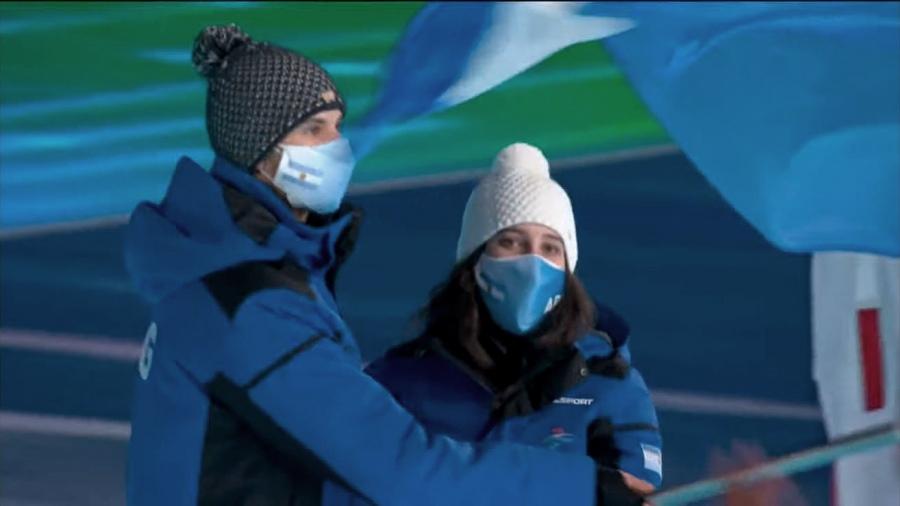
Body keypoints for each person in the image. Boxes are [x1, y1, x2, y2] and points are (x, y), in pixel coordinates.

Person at [123, 24, 647, 505]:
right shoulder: (252, 306)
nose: (338, 145)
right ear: (262, 152)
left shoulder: (228, 277)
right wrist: (581, 488)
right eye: (314, 130)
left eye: (336, 125)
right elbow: (401, 468)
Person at [363, 143, 663, 496]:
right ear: (474, 260)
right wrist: (575, 484)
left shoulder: (609, 381)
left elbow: (634, 492)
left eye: (550, 247)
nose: (532, 264)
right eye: (511, 242)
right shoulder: (400, 380)